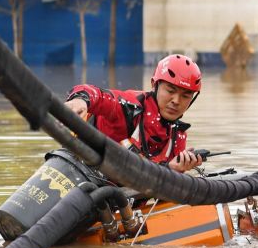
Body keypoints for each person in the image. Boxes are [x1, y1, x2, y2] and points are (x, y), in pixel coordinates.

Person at [64, 54, 204, 173]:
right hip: (79, 177)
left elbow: (159, 191)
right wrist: (81, 100)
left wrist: (173, 171)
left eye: (185, 96)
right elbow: (98, 95)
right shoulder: (129, 108)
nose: (176, 101)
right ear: (154, 85)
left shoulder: (178, 136)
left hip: (121, 199)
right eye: (170, 91)